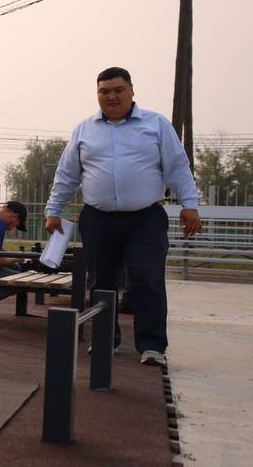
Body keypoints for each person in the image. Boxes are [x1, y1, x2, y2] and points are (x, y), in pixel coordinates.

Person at [45, 66, 202, 367]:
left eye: (118, 90)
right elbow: (67, 175)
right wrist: (54, 210)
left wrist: (190, 204)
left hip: (145, 219)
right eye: (104, 91)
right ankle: (106, 341)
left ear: (131, 91)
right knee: (101, 282)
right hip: (98, 219)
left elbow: (178, 167)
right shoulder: (84, 129)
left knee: (148, 280)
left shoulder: (156, 125)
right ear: (97, 94)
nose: (111, 96)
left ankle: (152, 346)